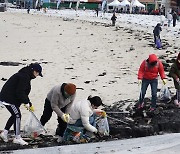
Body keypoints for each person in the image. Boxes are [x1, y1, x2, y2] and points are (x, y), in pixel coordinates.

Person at [0, 63, 43, 145]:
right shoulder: (24, 77)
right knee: (17, 115)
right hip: (8, 99)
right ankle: (17, 138)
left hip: (11, 98)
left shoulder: (26, 75)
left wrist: (29, 103)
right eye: (37, 73)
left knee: (14, 115)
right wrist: (26, 102)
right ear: (33, 70)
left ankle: (4, 133)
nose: (37, 75)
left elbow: (23, 92)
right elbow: (19, 92)